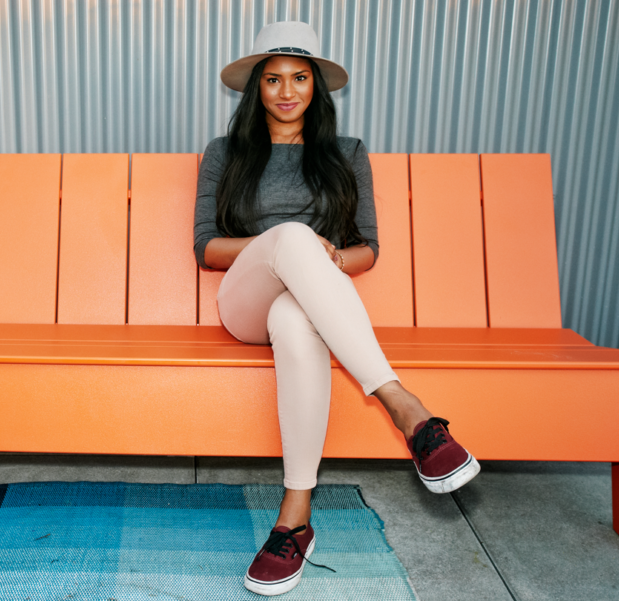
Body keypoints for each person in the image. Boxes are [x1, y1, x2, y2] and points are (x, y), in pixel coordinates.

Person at [194, 21, 480, 596]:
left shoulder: (346, 153)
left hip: (310, 304)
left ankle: (294, 517)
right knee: (293, 238)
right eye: (272, 79)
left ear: (316, 87)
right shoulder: (225, 153)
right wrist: (291, 240)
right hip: (245, 302)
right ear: (256, 89)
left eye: (299, 77)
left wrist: (327, 261)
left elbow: (367, 247)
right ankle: (405, 407)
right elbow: (206, 247)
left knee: (298, 320)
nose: (286, 90)